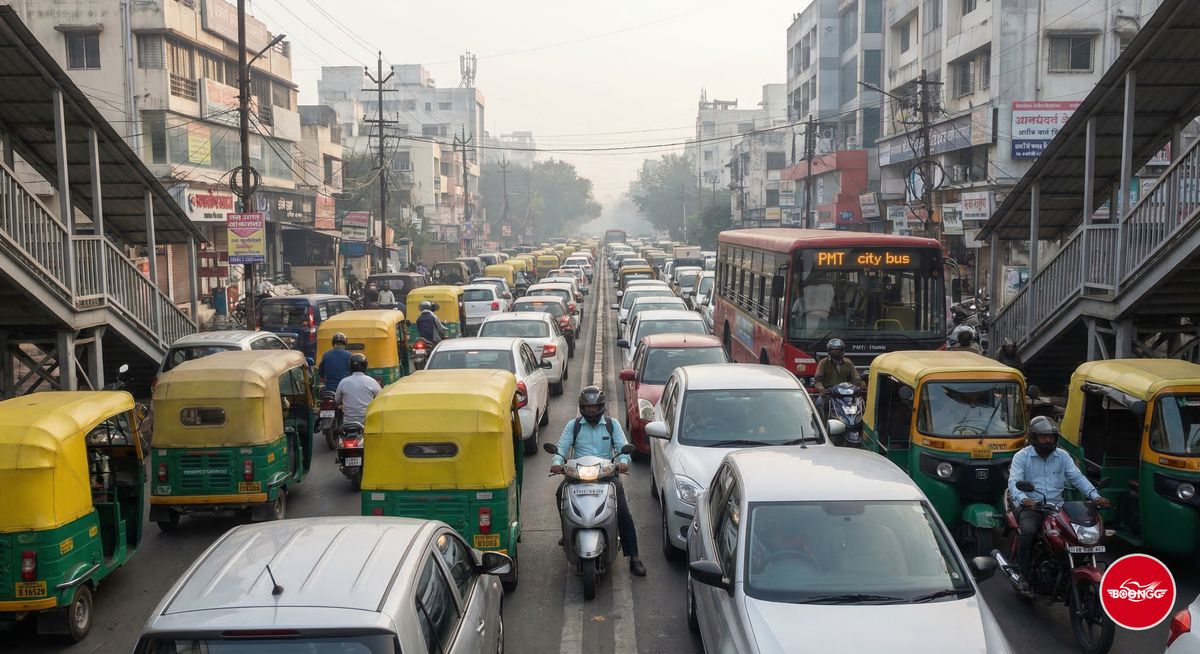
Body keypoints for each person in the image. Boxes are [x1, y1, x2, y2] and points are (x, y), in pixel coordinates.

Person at [551, 386, 646, 576]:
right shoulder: (574, 426)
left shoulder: (612, 425)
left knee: (623, 511)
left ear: (601, 407)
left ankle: (634, 556)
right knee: (561, 492)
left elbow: (622, 448)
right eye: (588, 408)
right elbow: (561, 449)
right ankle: (568, 533)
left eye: (594, 408)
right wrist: (557, 462)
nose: (591, 411)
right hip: (577, 475)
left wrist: (623, 462)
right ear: (582, 407)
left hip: (606, 476)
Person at [1008, 416, 1110, 592]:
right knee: (1029, 531)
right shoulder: (1022, 456)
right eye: (1044, 436)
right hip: (1033, 506)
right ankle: (1022, 574)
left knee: (1072, 534)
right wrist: (1025, 499)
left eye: (1051, 436)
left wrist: (1095, 496)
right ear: (1034, 437)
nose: (1048, 440)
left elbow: (1077, 478)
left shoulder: (1062, 456)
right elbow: (1014, 482)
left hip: (1057, 506)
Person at [813, 338, 863, 415]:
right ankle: (822, 424)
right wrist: (821, 388)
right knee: (819, 403)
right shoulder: (823, 362)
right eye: (834, 350)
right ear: (829, 351)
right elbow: (818, 380)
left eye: (839, 350)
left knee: (861, 404)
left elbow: (857, 378)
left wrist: (863, 386)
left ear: (843, 350)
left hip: (846, 393)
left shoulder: (848, 363)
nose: (837, 352)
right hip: (829, 393)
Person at [334, 353, 382, 426]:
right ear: (365, 366)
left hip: (348, 423)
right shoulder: (371, 381)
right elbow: (380, 397)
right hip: (367, 422)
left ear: (350, 366)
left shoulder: (343, 382)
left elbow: (337, 400)